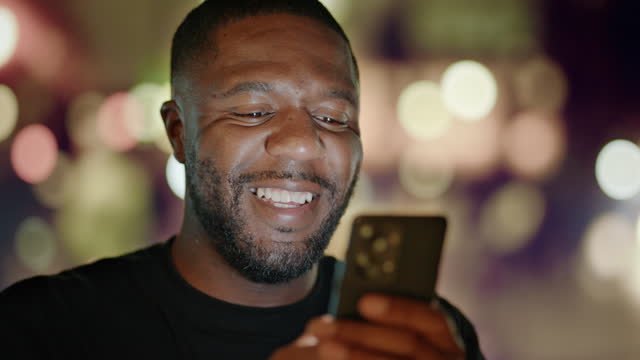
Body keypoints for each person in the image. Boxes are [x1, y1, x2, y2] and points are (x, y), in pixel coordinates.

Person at [0, 1, 484, 358]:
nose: (302, 142)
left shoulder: (423, 338)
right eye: (254, 111)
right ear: (179, 133)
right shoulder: (41, 330)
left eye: (335, 119)